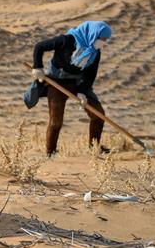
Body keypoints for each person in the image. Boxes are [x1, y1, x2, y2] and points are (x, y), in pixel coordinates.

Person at [29, 21, 112, 155]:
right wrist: (37, 67)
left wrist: (83, 92)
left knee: (98, 114)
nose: (104, 42)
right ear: (93, 34)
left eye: (105, 40)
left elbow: (90, 75)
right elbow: (40, 47)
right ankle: (50, 152)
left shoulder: (95, 52)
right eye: (102, 39)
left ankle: (94, 148)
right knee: (56, 121)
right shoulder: (67, 40)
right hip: (57, 83)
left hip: (77, 83)